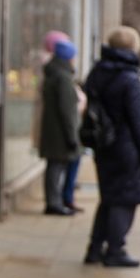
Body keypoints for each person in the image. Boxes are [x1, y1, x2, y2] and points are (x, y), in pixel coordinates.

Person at [83, 27, 140, 268]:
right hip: (126, 149)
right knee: (124, 200)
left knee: (109, 198)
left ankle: (95, 248)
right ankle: (115, 249)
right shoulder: (129, 79)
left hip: (104, 146)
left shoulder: (97, 73)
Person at [40, 39, 82, 216]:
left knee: (54, 167)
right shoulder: (63, 78)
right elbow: (68, 111)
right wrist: (72, 136)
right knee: (56, 168)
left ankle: (55, 201)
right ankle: (54, 202)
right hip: (60, 132)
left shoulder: (54, 74)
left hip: (54, 130)